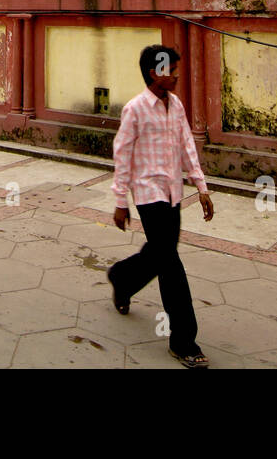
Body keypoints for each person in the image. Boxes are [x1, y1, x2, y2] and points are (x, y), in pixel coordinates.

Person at [107, 43, 215, 369]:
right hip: (147, 194)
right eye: (173, 70)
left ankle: (122, 278)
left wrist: (201, 186)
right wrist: (119, 201)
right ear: (156, 73)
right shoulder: (135, 110)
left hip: (173, 192)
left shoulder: (177, 105)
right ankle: (183, 341)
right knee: (170, 264)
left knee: (159, 254)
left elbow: (186, 145)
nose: (178, 75)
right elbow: (122, 155)